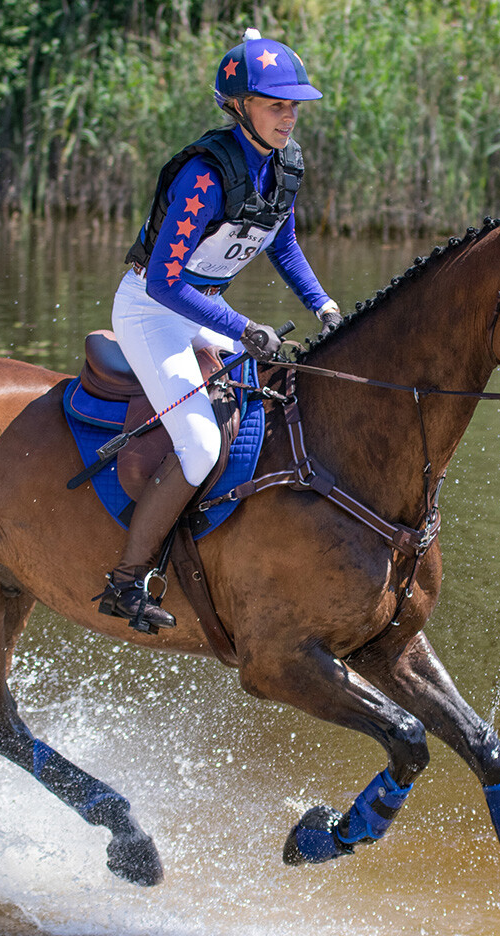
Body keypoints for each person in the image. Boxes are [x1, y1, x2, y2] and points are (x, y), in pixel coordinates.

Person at [98, 28, 343, 632]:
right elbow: (163, 283)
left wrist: (325, 306)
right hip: (151, 312)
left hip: (203, 310)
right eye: (275, 104)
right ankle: (126, 582)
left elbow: (282, 245)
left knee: (280, 397)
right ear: (239, 107)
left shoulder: (283, 166)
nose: (289, 117)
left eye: (294, 106)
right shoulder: (204, 177)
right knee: (202, 443)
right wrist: (241, 325)